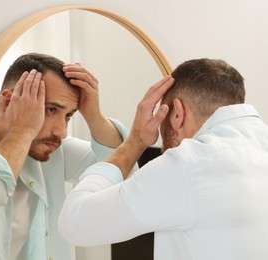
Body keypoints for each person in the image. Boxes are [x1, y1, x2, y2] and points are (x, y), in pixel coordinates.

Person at [58, 58, 268, 259]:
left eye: (162, 118)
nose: (162, 150)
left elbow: (75, 222)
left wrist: (136, 140)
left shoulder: (188, 165)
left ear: (177, 113)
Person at [0, 53, 127, 260]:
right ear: (8, 102)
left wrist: (93, 114)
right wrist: (22, 131)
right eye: (51, 109)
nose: (62, 131)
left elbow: (119, 172)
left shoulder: (48, 147)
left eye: (68, 115)